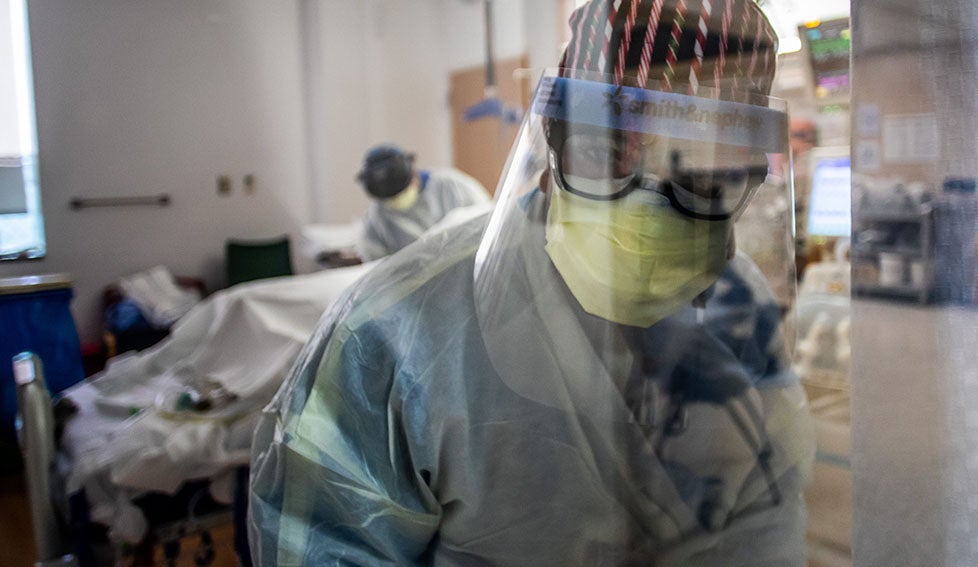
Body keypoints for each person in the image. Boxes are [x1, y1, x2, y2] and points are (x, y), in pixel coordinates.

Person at [250, 1, 813, 564]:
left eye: (701, 176)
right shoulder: (396, 332)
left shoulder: (742, 303)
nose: (650, 206)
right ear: (551, 145)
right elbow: (321, 544)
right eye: (603, 156)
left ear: (750, 175)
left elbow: (769, 512)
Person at [356, 145, 492, 261]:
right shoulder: (378, 216)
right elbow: (375, 263)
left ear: (414, 176)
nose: (397, 200)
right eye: (391, 199)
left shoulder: (452, 187)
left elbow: (490, 225)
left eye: (401, 194)